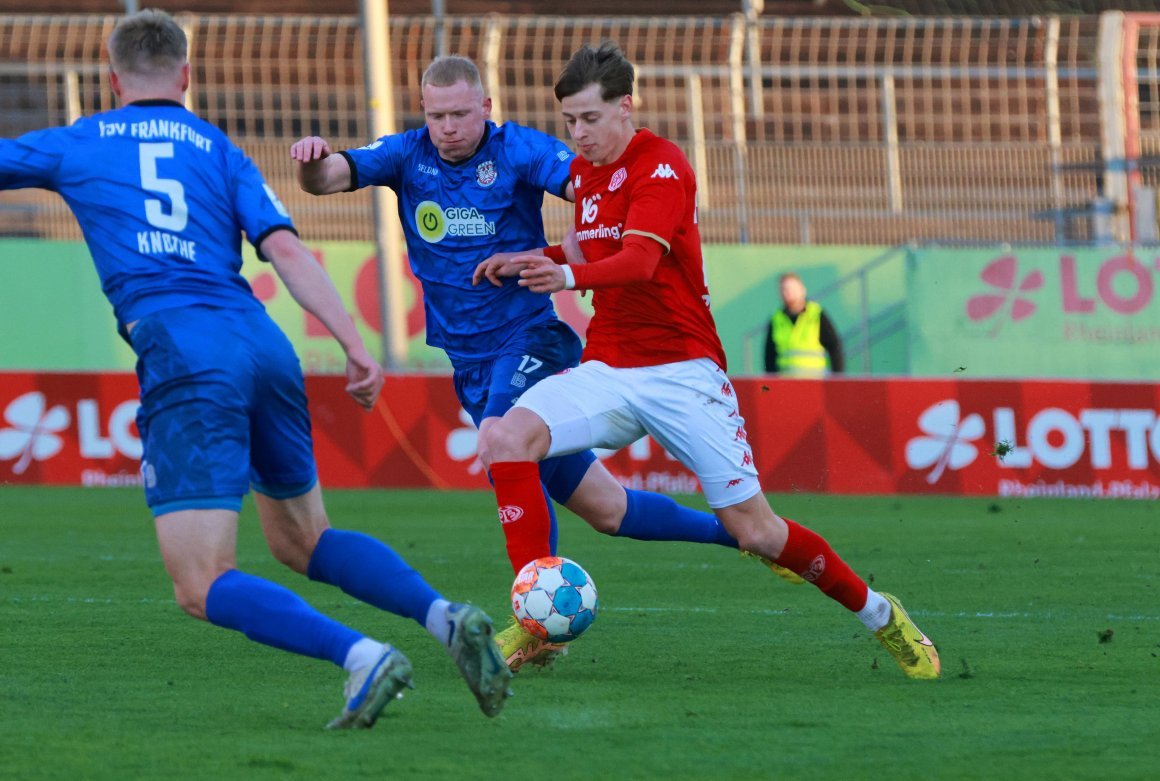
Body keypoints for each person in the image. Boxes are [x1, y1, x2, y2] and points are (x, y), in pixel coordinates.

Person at [0, 9, 512, 728]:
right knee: (303, 539)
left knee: (201, 581)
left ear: (113, 79)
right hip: (264, 346)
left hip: (185, 355)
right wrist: (355, 345)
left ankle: (362, 656)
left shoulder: (78, 142)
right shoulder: (218, 147)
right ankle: (444, 617)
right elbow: (289, 252)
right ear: (186, 75)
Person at [292, 55, 790, 672]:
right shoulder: (405, 154)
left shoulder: (521, 150)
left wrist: (622, 225)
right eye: (435, 114)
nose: (447, 127)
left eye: (459, 114)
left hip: (530, 340)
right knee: (608, 512)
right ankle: (745, 536)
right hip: (470, 361)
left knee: (501, 442)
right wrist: (315, 159)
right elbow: (330, 177)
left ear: (487, 109)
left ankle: (536, 625)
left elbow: (588, 181)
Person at [474, 42, 940, 680]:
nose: (578, 134)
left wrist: (563, 274)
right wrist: (536, 257)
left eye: (589, 118)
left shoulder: (661, 167)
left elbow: (637, 263)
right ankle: (534, 622)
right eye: (570, 122)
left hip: (682, 373)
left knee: (758, 533)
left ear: (625, 108)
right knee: (506, 439)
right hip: (608, 367)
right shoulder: (584, 173)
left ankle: (881, 616)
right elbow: (590, 243)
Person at [764, 271, 845, 376]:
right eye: (784, 289)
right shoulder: (776, 319)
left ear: (802, 290)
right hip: (786, 384)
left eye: (792, 289)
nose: (788, 293)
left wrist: (836, 379)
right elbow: (769, 356)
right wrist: (772, 386)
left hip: (814, 382)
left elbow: (835, 348)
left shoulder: (816, 315)